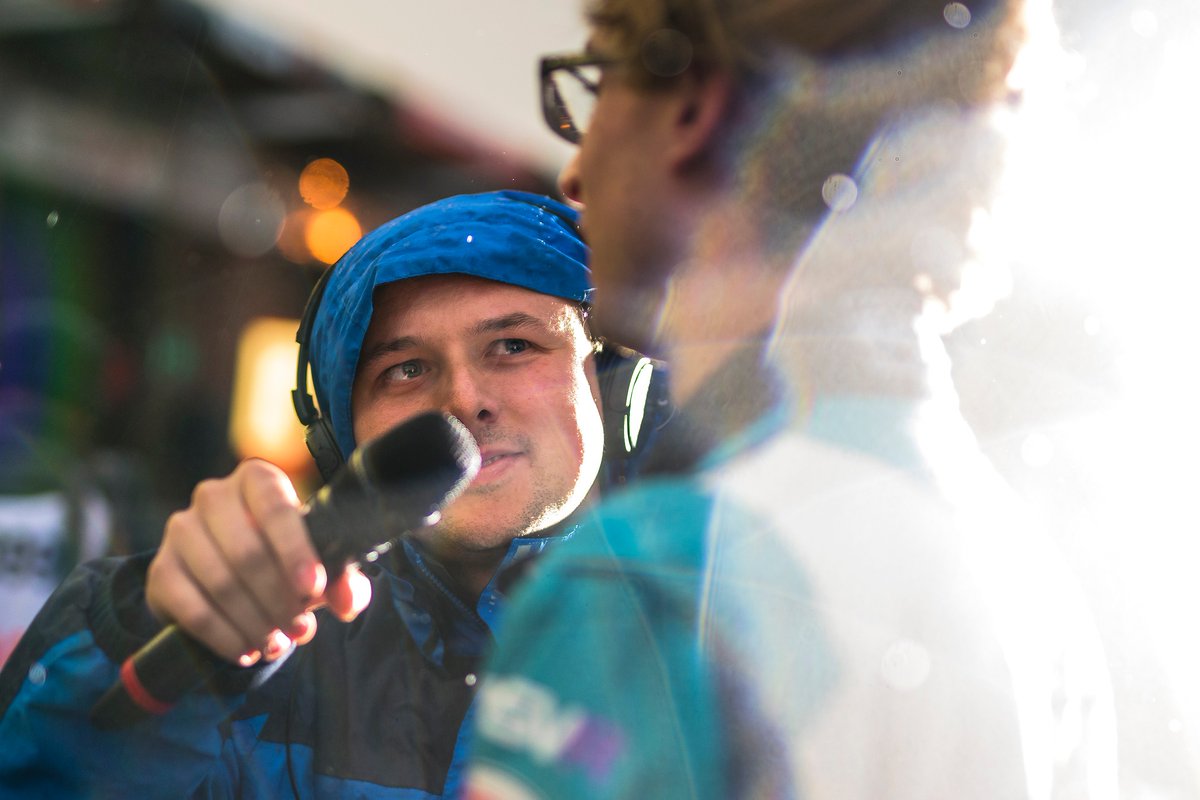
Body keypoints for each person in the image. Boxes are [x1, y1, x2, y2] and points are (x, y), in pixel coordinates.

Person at [464, 2, 1118, 798]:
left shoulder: (647, 581)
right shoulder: (1036, 596)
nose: (573, 169)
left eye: (599, 84)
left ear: (692, 107)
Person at [0, 190, 665, 798]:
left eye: (514, 345)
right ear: (340, 443)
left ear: (609, 386)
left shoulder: (717, 641)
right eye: (405, 370)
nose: (465, 399)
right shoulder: (262, 655)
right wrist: (143, 635)